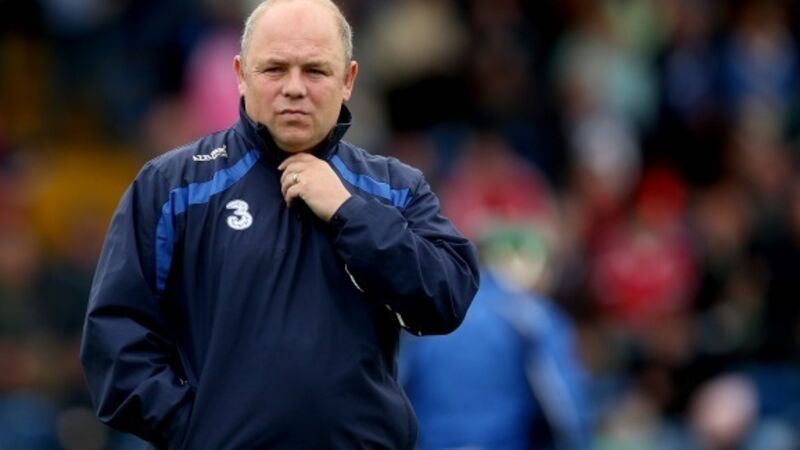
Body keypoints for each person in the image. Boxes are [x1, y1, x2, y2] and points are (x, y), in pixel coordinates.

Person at [79, 0, 480, 448]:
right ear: (240, 74)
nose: (294, 88)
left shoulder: (394, 188)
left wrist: (349, 212)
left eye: (315, 70)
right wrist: (197, 431)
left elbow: (446, 299)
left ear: (348, 80)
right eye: (274, 69)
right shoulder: (173, 187)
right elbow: (116, 339)